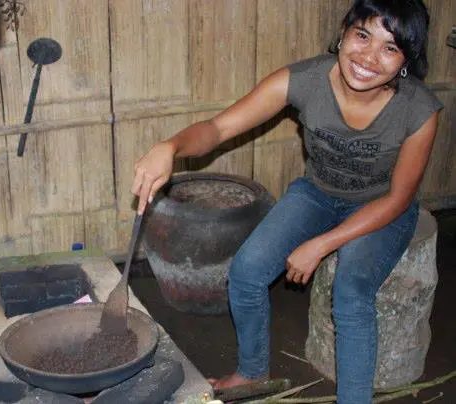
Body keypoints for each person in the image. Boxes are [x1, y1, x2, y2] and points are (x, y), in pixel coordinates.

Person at [130, 0, 444, 402]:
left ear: (405, 60)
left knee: (351, 292)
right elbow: (218, 127)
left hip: (382, 208)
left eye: (389, 47)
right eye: (362, 35)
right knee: (246, 270)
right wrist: (170, 146)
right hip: (318, 194)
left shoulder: (418, 109)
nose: (368, 57)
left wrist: (321, 244)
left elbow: (400, 198)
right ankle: (251, 372)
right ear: (345, 32)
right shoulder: (305, 79)